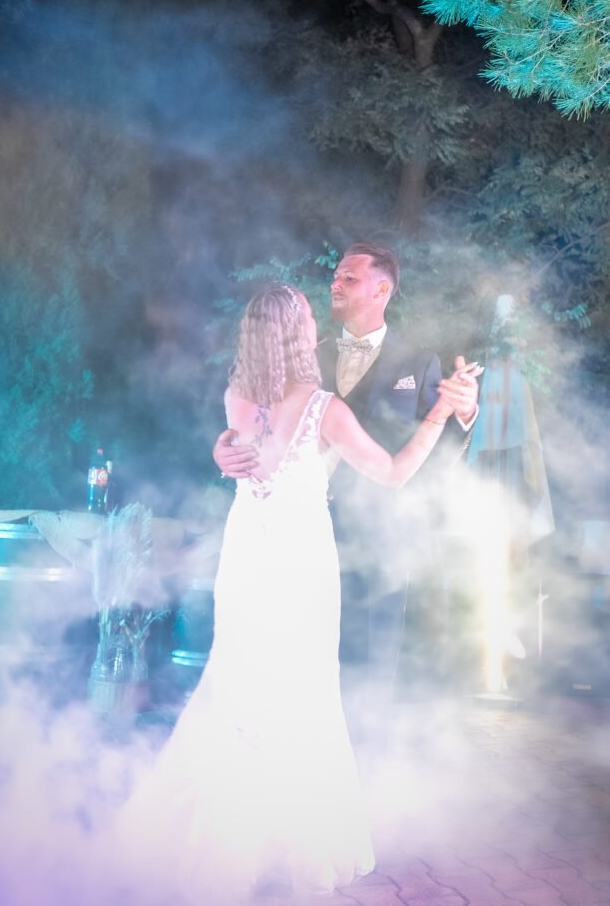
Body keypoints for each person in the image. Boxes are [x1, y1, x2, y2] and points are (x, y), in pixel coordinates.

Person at [122, 284, 480, 904]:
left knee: (237, 684)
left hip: (246, 556)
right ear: (293, 334)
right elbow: (393, 473)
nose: (318, 321)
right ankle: (283, 844)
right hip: (299, 561)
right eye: (309, 317)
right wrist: (438, 414)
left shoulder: (235, 397)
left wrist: (219, 451)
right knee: (302, 689)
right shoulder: (324, 409)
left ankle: (226, 838)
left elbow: (238, 449)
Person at [214, 245, 481, 741]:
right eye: (335, 276)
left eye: (349, 278)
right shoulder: (304, 354)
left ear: (382, 290)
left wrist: (463, 413)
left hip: (378, 542)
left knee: (369, 677)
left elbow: (437, 459)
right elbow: (260, 429)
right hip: (301, 542)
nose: (335, 283)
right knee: (293, 671)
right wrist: (223, 449)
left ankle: (361, 766)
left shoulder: (421, 362)